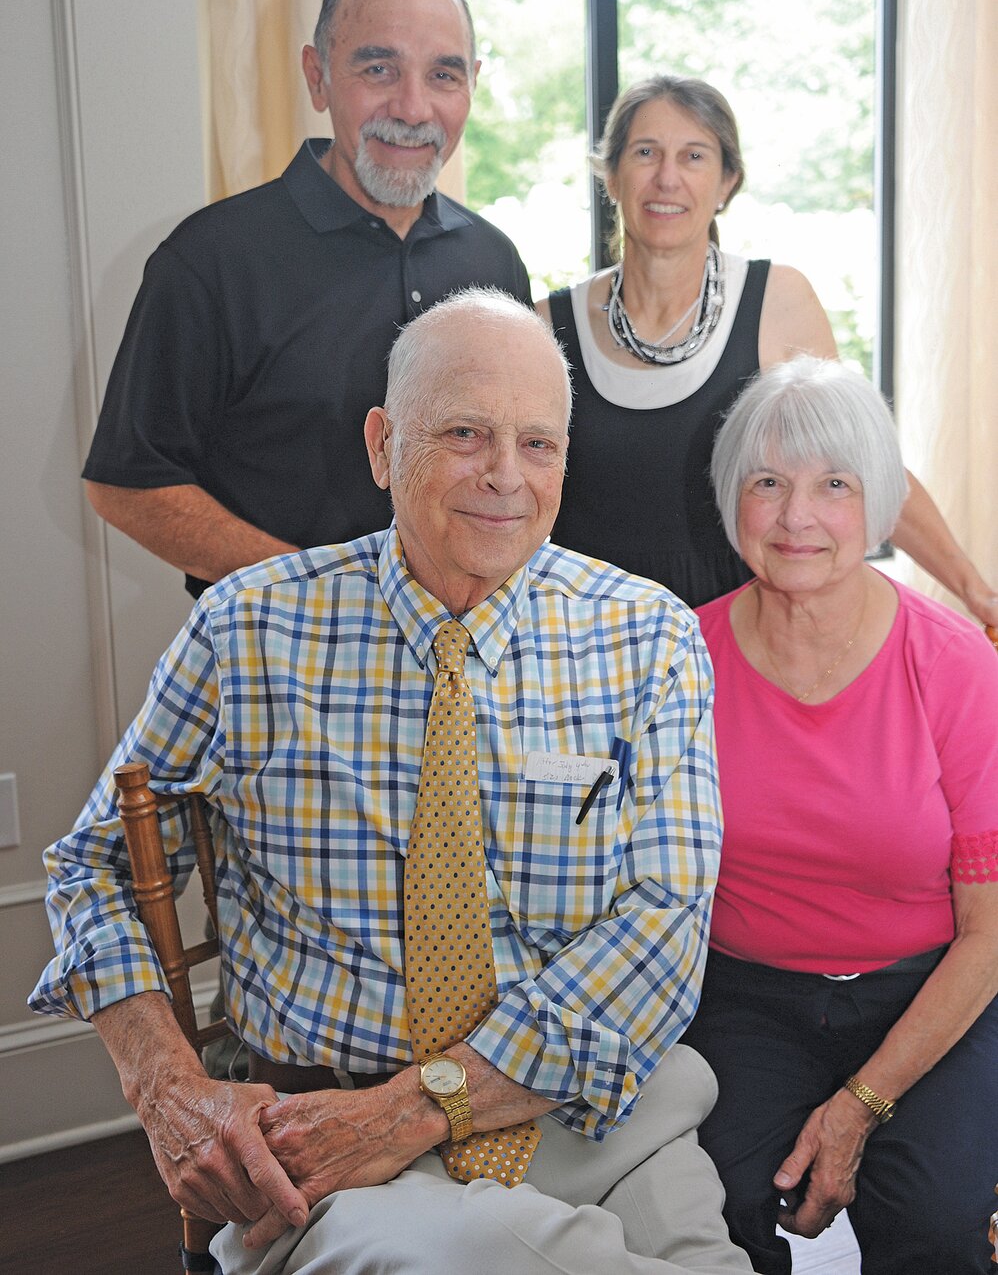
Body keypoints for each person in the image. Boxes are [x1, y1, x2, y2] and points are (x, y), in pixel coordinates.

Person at [32, 291, 752, 1275]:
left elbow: (663, 923)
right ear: (381, 446)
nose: (504, 476)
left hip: (587, 1116)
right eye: (464, 433)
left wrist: (417, 1110)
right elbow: (89, 867)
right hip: (322, 1148)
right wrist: (168, 1089)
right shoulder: (252, 630)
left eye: (537, 444)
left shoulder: (645, 635)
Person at [682, 355, 998, 1275]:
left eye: (834, 486)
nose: (796, 517)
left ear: (882, 504)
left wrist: (859, 1104)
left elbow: (989, 934)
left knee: (933, 1221)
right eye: (767, 483)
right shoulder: (681, 658)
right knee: (712, 1203)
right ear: (730, 496)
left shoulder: (956, 667)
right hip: (746, 995)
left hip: (931, 990)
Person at [83, 0, 531, 599]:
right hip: (276, 663)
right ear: (317, 78)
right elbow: (128, 485)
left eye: (442, 74)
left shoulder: (494, 262)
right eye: (378, 69)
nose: (412, 107)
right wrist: (320, 593)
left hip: (466, 653)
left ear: (472, 85)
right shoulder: (211, 260)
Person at [539, 74, 998, 624]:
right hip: (583, 655)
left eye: (693, 156)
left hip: (740, 652)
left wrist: (975, 590)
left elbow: (865, 469)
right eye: (645, 153)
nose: (667, 178)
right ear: (611, 175)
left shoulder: (779, 302)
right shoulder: (546, 326)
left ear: (726, 182)